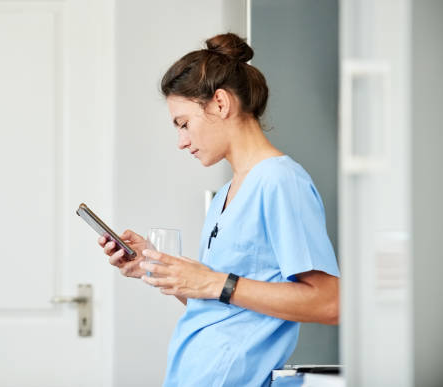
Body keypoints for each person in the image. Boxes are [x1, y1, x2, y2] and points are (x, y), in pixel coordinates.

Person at [97, 33, 340, 387]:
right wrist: (157, 267)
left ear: (220, 104)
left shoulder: (279, 181)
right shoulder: (228, 191)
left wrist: (213, 281)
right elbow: (222, 304)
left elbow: (330, 303)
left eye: (183, 123)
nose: (181, 141)